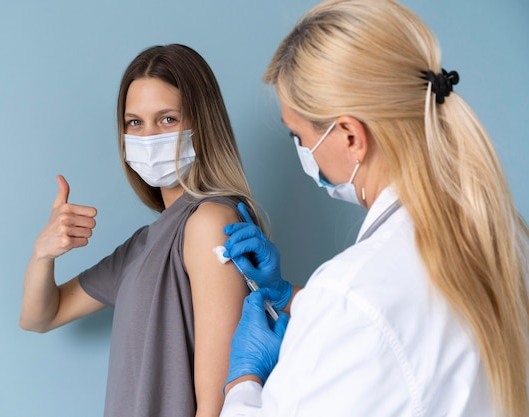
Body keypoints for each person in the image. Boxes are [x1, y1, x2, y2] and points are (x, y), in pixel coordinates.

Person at [218, 0, 529, 416]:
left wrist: (244, 380)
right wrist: (291, 297)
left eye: (298, 136)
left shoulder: (353, 294)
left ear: (349, 136)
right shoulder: (504, 237)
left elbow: (373, 322)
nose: (303, 151)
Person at [20, 44, 265, 417]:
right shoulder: (143, 244)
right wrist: (43, 253)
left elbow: (218, 403)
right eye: (135, 122)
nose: (148, 136)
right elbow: (39, 317)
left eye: (167, 119)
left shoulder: (209, 222)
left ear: (202, 123)